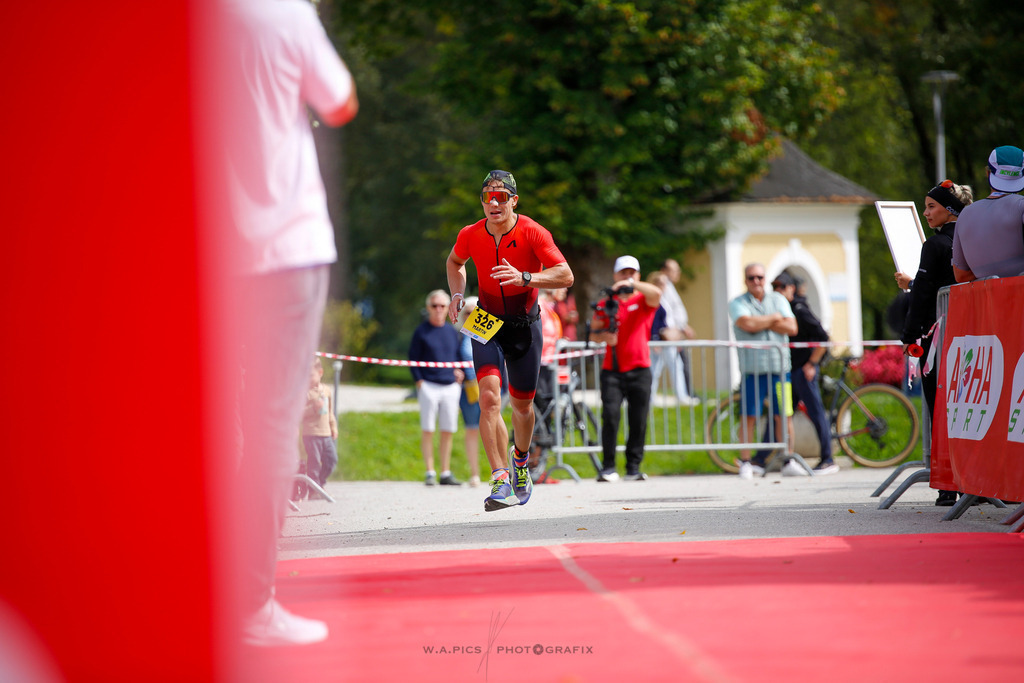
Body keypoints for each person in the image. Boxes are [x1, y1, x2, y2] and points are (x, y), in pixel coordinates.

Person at [213, 0, 358, 647]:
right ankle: (249, 602)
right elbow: (341, 101)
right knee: (273, 422)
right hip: (286, 244)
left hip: (209, 244)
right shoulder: (281, 12)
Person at [446, 170, 574, 511]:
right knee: (488, 399)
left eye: (501, 197)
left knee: (522, 406)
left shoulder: (532, 231)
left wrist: (526, 277)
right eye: (487, 197)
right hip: (486, 321)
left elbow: (566, 275)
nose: (494, 203)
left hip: (523, 325)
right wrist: (457, 294)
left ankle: (520, 461)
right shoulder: (471, 233)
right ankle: (500, 479)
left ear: (514, 201)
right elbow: (455, 262)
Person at [897, 179, 973, 505]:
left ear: (949, 209)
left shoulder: (935, 245)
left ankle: (947, 487)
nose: (926, 213)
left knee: (939, 409)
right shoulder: (974, 239)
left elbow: (925, 295)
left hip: (938, 339)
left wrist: (908, 335)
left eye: (931, 207)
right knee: (971, 410)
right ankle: (975, 484)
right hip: (974, 337)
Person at [589, 256, 661, 482]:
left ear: (638, 275)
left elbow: (656, 294)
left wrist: (630, 284)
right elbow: (593, 334)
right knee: (610, 416)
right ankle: (608, 467)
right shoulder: (606, 303)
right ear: (615, 275)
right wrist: (604, 337)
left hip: (640, 369)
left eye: (632, 273)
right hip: (612, 370)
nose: (627, 276)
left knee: (638, 419)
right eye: (623, 273)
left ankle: (633, 467)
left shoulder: (643, 299)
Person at [729, 263, 800, 479]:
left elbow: (792, 327)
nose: (756, 281)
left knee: (784, 416)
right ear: (745, 280)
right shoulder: (737, 302)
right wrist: (775, 318)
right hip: (753, 370)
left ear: (765, 278)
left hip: (780, 370)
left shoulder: (777, 299)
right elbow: (746, 324)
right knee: (749, 416)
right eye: (751, 277)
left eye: (759, 277)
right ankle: (746, 462)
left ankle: (788, 460)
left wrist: (760, 322)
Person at [768, 272, 836, 474]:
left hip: (803, 370)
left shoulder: (799, 309)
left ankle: (828, 459)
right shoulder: (784, 309)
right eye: (775, 287)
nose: (778, 291)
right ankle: (760, 458)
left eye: (782, 286)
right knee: (781, 412)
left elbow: (823, 337)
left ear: (792, 289)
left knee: (816, 413)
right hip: (792, 370)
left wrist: (812, 364)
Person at [409, 290, 464, 486]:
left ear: (448, 308)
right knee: (428, 429)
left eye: (442, 305)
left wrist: (459, 372)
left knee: (448, 429)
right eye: (434, 306)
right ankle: (430, 472)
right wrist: (420, 383)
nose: (438, 309)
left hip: (450, 386)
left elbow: (457, 357)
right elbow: (413, 359)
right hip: (429, 385)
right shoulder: (421, 331)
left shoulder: (452, 332)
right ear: (428, 308)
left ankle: (445, 472)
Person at [951, 146, 1024, 282]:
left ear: (988, 173)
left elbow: (961, 275)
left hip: (987, 295)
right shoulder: (1021, 206)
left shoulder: (965, 214)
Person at [647, 271, 699, 405]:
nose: (664, 286)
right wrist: (655, 339)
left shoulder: (664, 299)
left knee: (675, 367)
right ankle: (650, 398)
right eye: (661, 283)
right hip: (659, 340)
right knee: (655, 370)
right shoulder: (653, 299)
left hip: (668, 340)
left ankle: (681, 396)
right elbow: (653, 321)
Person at [298, 357, 339, 497]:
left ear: (320, 373)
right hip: (311, 434)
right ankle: (313, 491)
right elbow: (299, 413)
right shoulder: (305, 393)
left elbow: (330, 412)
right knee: (314, 463)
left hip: (326, 434)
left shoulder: (326, 390)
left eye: (311, 375)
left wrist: (333, 427)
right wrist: (313, 408)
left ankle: (319, 483)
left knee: (331, 460)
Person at [457, 297, 483, 487]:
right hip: (468, 390)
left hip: (491, 387)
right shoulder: (458, 336)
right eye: (467, 313)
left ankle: (499, 472)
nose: (471, 316)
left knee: (493, 429)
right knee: (472, 429)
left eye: (476, 312)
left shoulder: (490, 334)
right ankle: (475, 474)